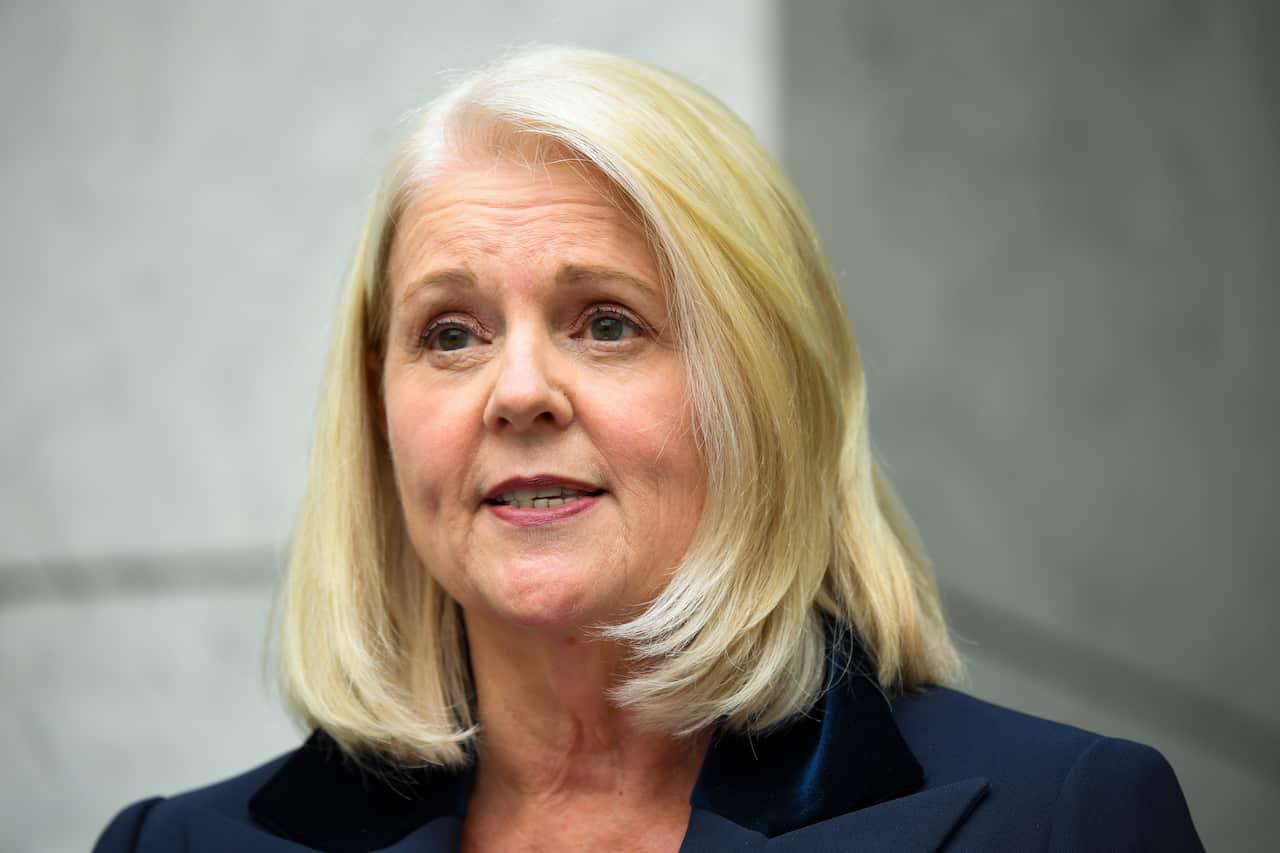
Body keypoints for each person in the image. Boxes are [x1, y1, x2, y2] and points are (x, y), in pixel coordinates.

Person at [93, 46, 1203, 852]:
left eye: (607, 322)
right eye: (451, 333)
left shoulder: (1061, 820)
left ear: (760, 392)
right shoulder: (172, 846)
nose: (516, 392)